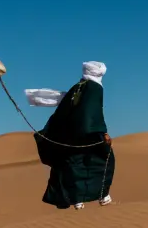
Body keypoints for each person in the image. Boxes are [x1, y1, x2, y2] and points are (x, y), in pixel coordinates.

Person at [25, 61, 115, 210]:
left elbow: (67, 106)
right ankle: (103, 196)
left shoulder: (78, 86)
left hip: (70, 133)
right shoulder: (94, 88)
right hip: (88, 132)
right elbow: (93, 111)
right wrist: (102, 131)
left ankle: (76, 199)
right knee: (105, 159)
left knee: (73, 164)